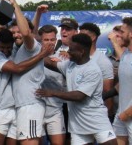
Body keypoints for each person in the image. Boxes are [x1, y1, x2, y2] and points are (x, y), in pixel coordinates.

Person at [36, 33, 117, 145]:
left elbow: (79, 96)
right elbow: (51, 64)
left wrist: (53, 93)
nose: (68, 52)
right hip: (77, 125)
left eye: (71, 50)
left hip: (96, 120)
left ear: (81, 51)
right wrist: (37, 51)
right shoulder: (70, 65)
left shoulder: (92, 70)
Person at [0, 28, 54, 145]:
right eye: (2, 47)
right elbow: (17, 69)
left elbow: (28, 32)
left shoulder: (15, 51)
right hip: (1, 108)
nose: (5, 51)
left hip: (17, 107)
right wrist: (41, 55)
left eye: (8, 47)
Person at [79, 22, 114, 123]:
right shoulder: (76, 59)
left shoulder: (102, 62)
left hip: (96, 115)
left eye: (83, 35)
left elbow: (108, 91)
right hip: (78, 113)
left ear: (93, 37)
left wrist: (107, 116)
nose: (80, 38)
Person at [38, 25, 66, 145]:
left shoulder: (64, 57)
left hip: (55, 111)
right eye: (46, 40)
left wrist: (63, 66)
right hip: (36, 110)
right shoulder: (32, 56)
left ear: (56, 40)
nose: (50, 43)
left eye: (52, 40)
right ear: (40, 40)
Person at [112, 17, 132, 145]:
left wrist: (128, 113)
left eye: (122, 32)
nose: (119, 35)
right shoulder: (125, 55)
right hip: (121, 115)